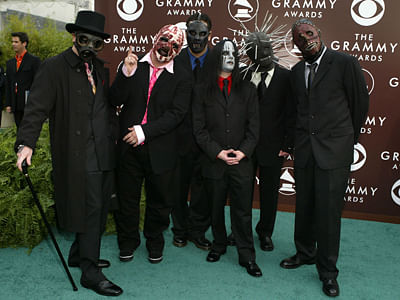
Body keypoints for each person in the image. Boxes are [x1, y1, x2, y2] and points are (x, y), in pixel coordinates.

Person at [15, 11, 122, 297]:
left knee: (99, 212)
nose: (89, 46)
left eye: (96, 42)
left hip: (103, 152)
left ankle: (79, 253)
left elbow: (106, 106)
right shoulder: (53, 67)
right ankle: (90, 272)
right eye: (84, 39)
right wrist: (26, 143)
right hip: (78, 154)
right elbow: (36, 109)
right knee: (89, 210)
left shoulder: (101, 68)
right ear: (74, 36)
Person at [279, 19, 369, 297]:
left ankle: (328, 272)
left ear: (320, 34)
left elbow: (360, 106)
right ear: (294, 45)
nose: (306, 39)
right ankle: (304, 252)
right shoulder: (294, 72)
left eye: (310, 33)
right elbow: (295, 111)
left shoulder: (345, 63)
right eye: (300, 37)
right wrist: (292, 145)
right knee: (304, 207)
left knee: (329, 214)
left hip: (334, 151)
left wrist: (344, 142)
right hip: (305, 150)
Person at [110, 25, 191, 264]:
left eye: (174, 45)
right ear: (156, 39)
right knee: (127, 200)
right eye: (164, 40)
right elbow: (114, 99)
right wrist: (126, 73)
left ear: (179, 50)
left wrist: (143, 131)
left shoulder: (183, 76)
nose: (167, 47)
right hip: (128, 148)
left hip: (161, 149)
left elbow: (176, 114)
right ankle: (127, 242)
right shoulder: (133, 66)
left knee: (159, 202)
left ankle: (155, 242)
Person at [192, 39, 261, 277]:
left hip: (242, 161)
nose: (230, 56)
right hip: (214, 160)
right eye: (225, 52)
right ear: (216, 57)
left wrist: (243, 151)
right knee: (215, 207)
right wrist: (218, 152)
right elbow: (198, 129)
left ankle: (247, 255)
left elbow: (255, 127)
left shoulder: (248, 88)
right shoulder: (202, 89)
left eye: (233, 53)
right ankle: (218, 245)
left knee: (242, 210)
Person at [243, 31, 295, 251]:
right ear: (248, 54)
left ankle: (265, 232)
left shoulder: (286, 77)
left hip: (274, 148)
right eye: (256, 51)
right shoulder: (243, 76)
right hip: (244, 146)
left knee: (269, 193)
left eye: (266, 49)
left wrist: (287, 145)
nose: (263, 54)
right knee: (241, 192)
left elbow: (293, 113)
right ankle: (240, 231)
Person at [171, 12, 213, 251]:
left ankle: (198, 231)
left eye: (202, 33)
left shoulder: (219, 60)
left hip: (209, 138)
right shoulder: (174, 59)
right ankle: (180, 230)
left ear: (210, 34)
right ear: (186, 33)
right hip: (179, 136)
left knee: (204, 189)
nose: (196, 38)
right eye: (192, 32)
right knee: (178, 187)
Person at [5, 32, 41, 128]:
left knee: (28, 131)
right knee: (19, 130)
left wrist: (36, 103)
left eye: (16, 42)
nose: (13, 44)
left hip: (29, 104)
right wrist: (8, 104)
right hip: (15, 104)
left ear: (24, 43)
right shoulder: (10, 63)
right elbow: (8, 84)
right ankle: (19, 143)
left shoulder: (34, 61)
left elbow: (38, 83)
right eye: (12, 42)